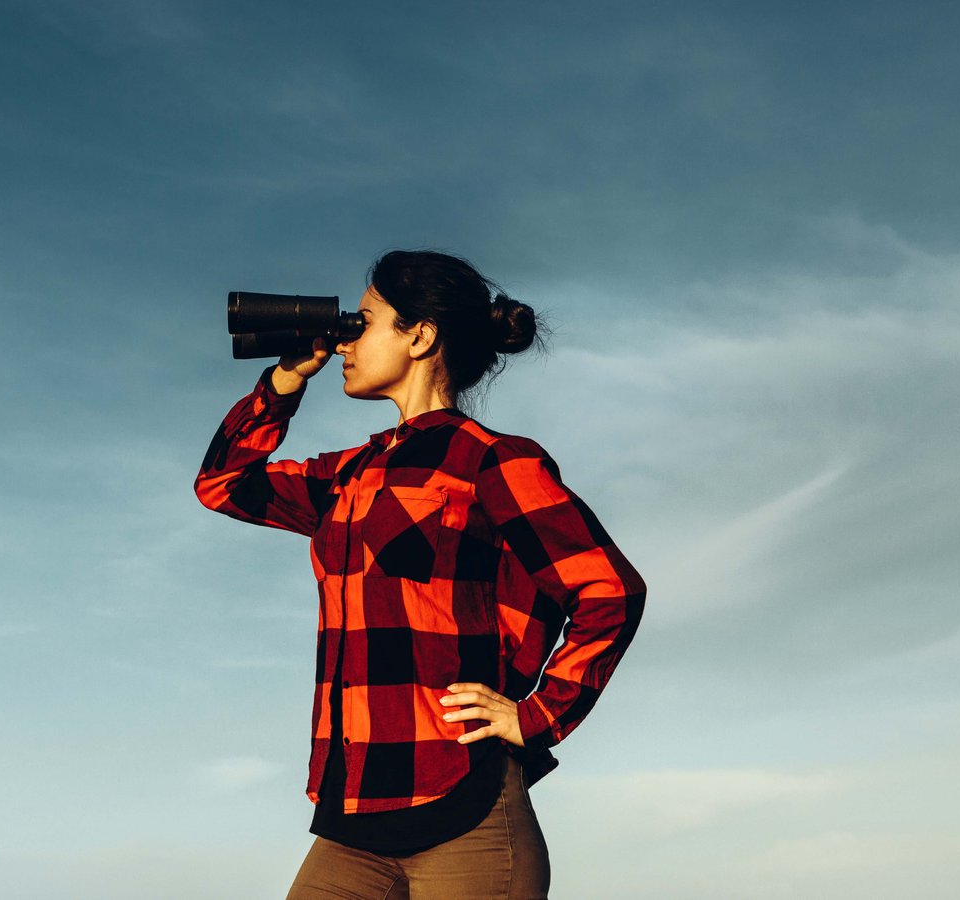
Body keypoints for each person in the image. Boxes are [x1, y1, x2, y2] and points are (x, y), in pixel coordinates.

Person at [195, 250, 646, 899]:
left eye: (365, 321)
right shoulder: (345, 474)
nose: (346, 341)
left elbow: (607, 587)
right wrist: (285, 381)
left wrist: (539, 715)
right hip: (352, 819)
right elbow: (221, 484)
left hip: (465, 810)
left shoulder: (491, 460)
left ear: (420, 335)